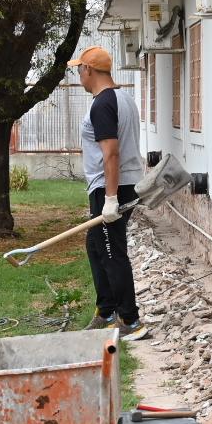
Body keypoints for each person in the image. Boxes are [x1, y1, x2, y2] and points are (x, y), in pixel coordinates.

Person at [69, 45, 143, 330]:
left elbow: (111, 154)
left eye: (79, 69)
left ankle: (130, 320)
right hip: (122, 184)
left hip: (110, 187)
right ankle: (107, 311)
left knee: (112, 253)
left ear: (88, 69)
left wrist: (110, 199)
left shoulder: (102, 104)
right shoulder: (123, 97)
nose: (79, 75)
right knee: (96, 246)